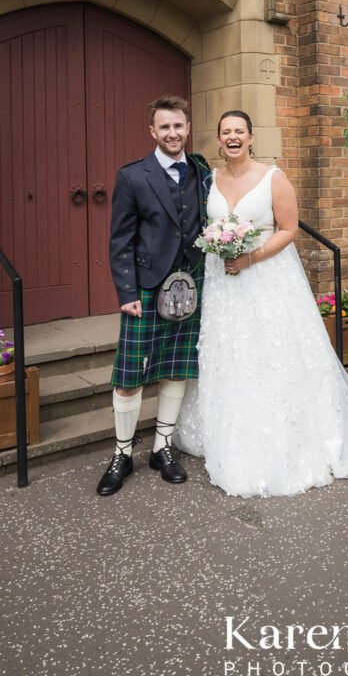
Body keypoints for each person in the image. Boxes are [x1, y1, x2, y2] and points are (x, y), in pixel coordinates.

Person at [176, 110, 348, 497]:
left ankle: (287, 435)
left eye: (239, 131)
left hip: (266, 277)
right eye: (225, 133)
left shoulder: (274, 178)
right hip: (224, 285)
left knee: (273, 352)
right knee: (230, 353)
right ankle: (232, 430)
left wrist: (249, 257)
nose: (232, 137)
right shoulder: (210, 181)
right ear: (218, 141)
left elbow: (288, 229)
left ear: (251, 137)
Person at [97, 95, 211, 497]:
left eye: (178, 126)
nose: (173, 133)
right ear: (153, 132)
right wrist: (126, 289)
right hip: (146, 286)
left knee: (176, 368)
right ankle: (122, 453)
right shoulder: (133, 176)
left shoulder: (200, 169)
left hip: (191, 281)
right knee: (130, 376)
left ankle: (161, 448)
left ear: (187, 127)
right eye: (165, 127)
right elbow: (120, 238)